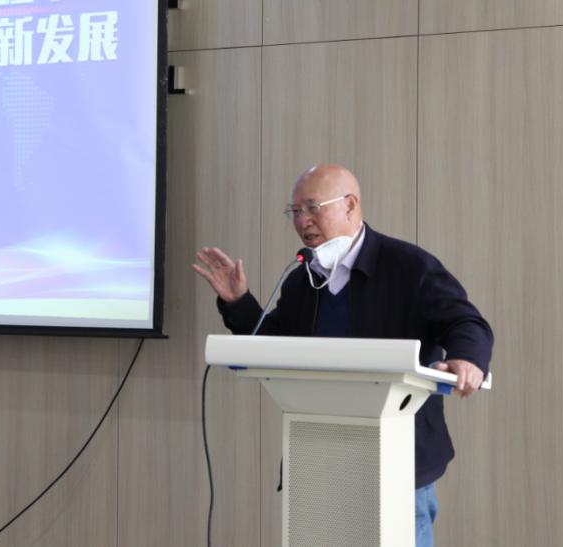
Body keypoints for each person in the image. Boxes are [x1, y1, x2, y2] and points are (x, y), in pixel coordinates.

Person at [192, 164, 493, 547]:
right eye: (295, 212)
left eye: (312, 208)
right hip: (320, 460)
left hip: (398, 461)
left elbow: (466, 321)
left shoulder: (408, 266)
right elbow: (276, 346)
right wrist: (239, 302)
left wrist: (467, 358)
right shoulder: (304, 279)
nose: (302, 221)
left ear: (350, 205)